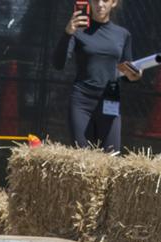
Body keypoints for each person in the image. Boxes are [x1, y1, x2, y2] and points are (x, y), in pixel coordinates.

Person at [53, 0, 142, 152]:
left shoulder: (123, 34)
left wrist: (134, 75)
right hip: (82, 102)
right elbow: (58, 64)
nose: (100, 4)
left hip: (110, 101)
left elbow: (126, 71)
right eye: (95, 0)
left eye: (105, 0)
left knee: (111, 157)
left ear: (113, 3)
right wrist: (67, 33)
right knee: (83, 159)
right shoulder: (78, 31)